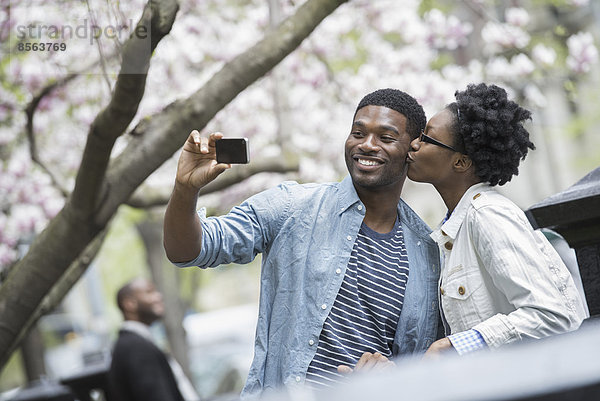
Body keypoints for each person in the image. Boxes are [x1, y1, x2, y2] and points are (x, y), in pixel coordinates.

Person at [163, 89, 441, 396]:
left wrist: (392, 374)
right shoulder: (291, 206)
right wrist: (185, 190)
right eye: (357, 133)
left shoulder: (427, 253)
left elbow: (428, 367)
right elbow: (188, 251)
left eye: (386, 138)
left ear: (411, 149)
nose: (367, 145)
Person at [405, 83, 587, 357]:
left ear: (461, 162)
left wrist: (458, 345)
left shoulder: (487, 215)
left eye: (427, 138)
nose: (414, 144)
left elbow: (551, 314)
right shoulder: (457, 226)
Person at [108, 278, 200, 401]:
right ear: (129, 304)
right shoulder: (134, 347)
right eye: (149, 292)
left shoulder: (136, 342)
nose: (158, 296)